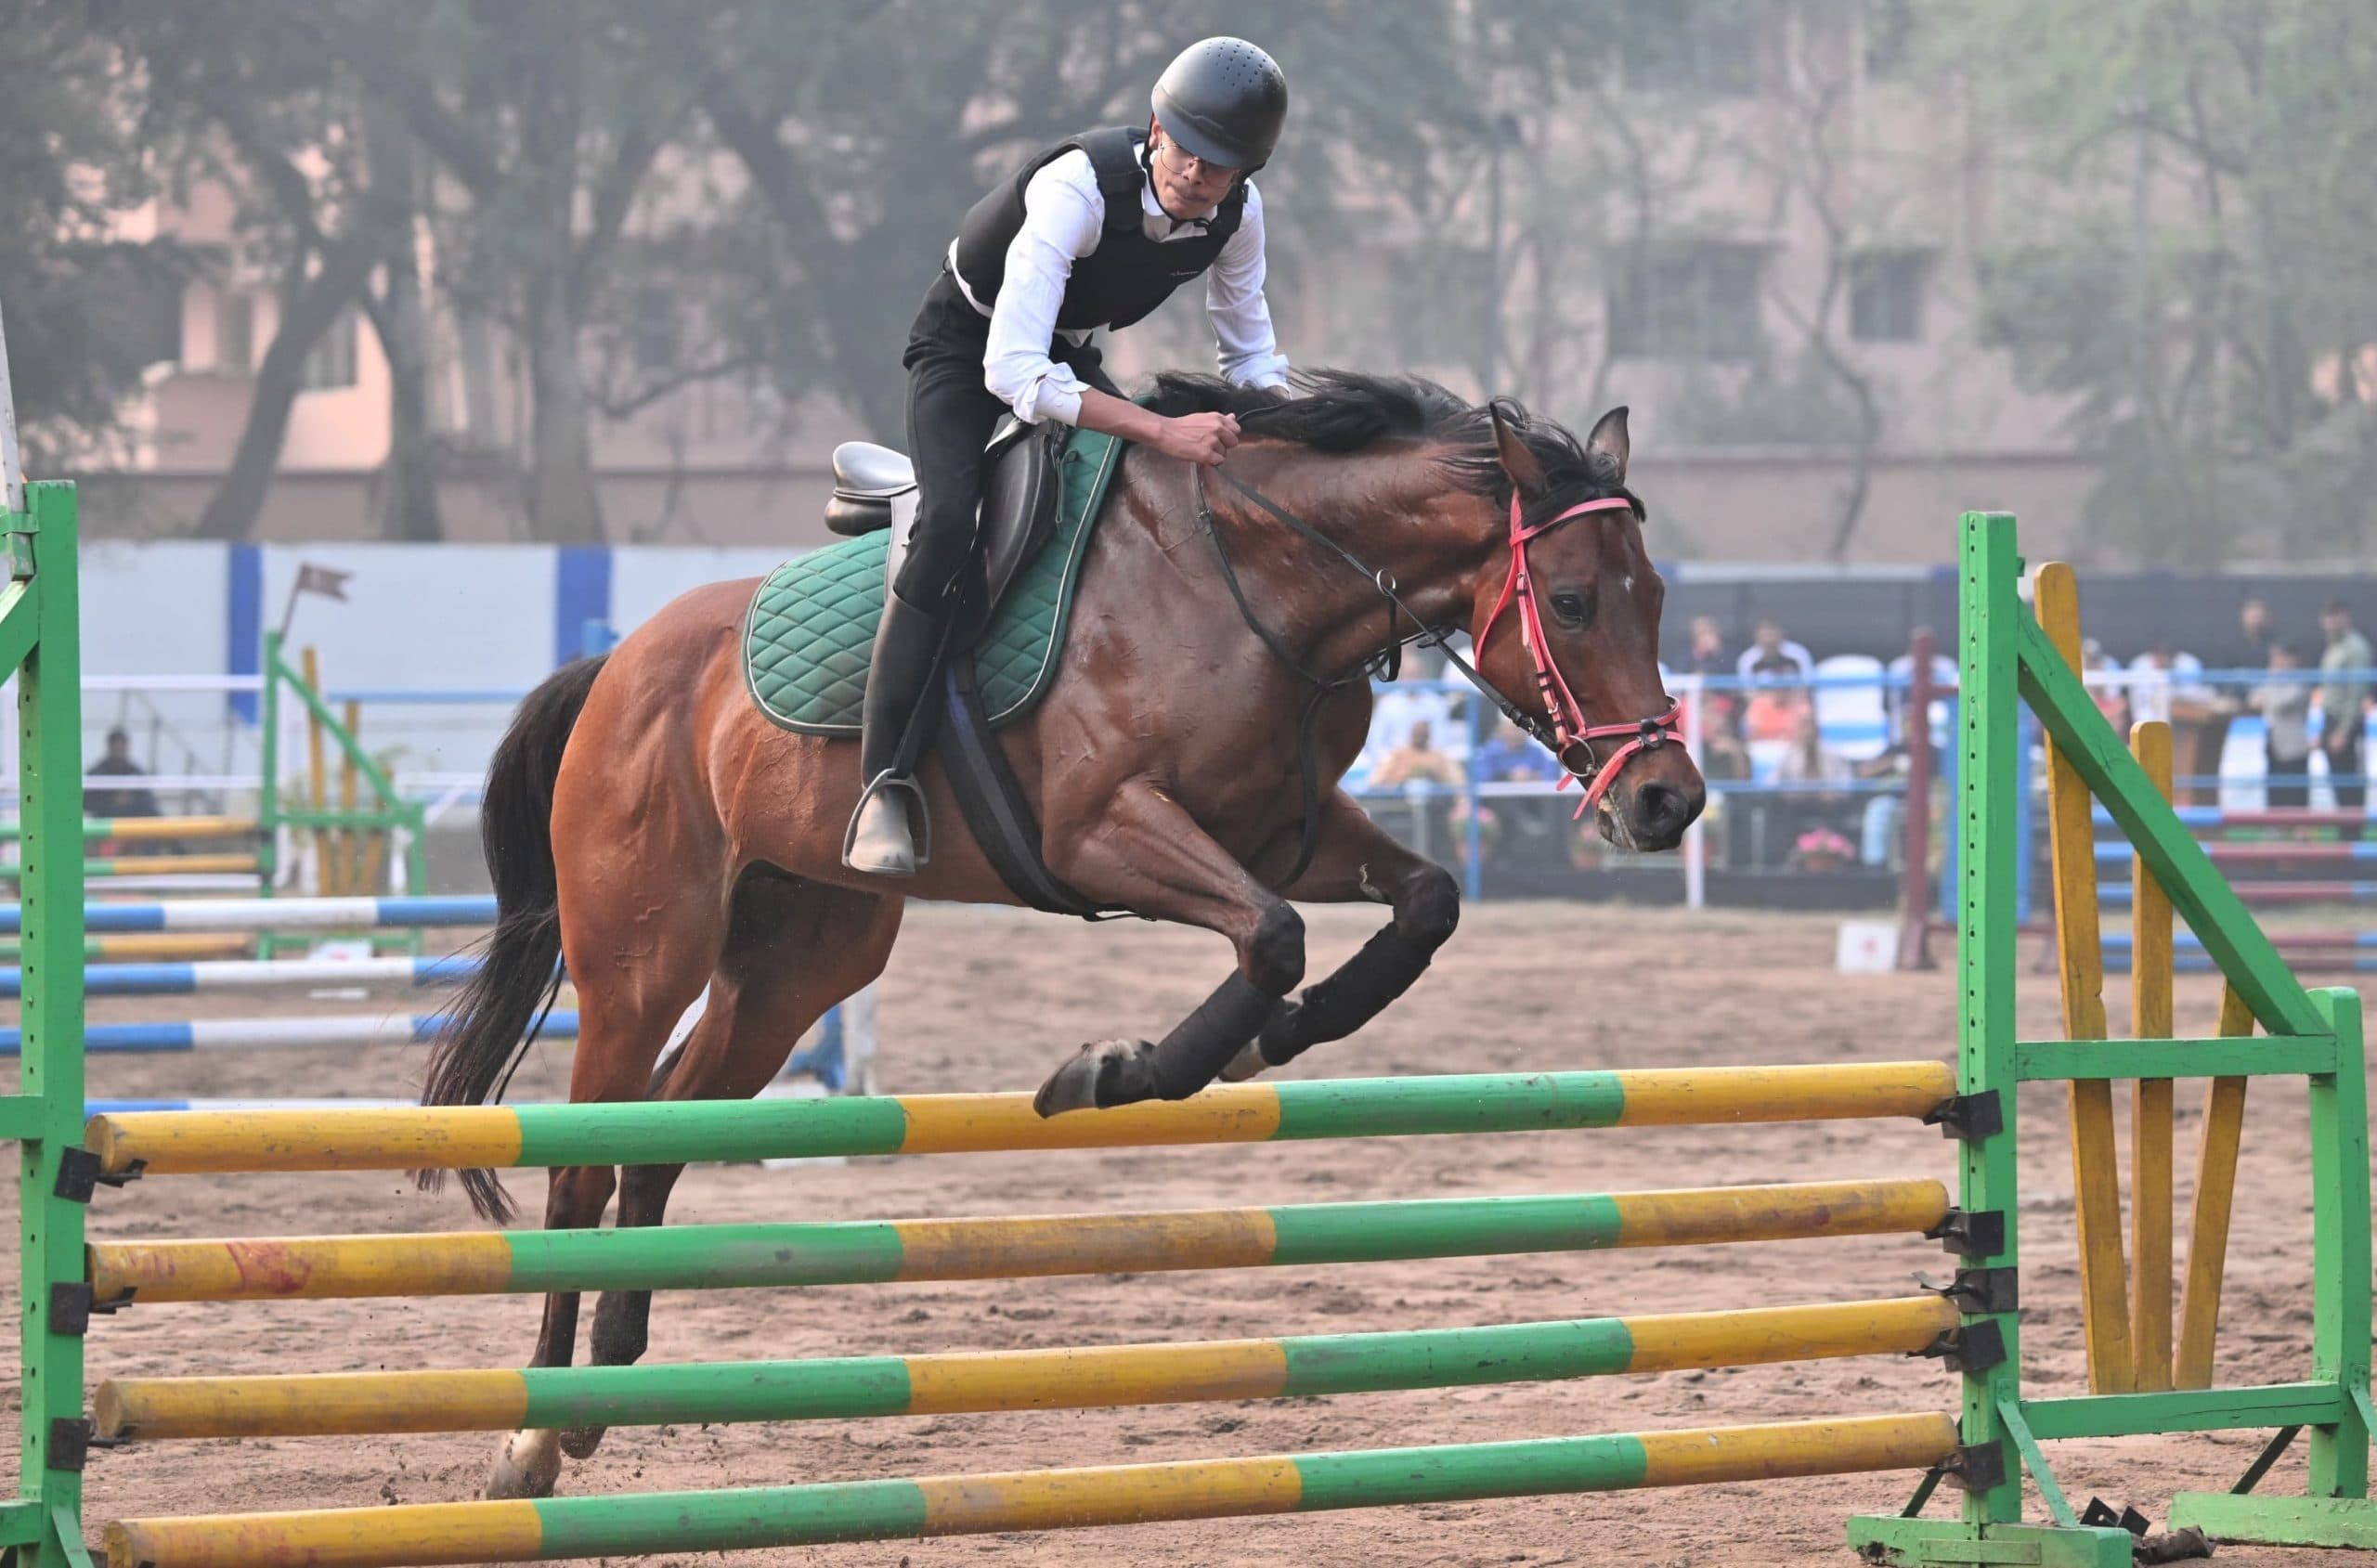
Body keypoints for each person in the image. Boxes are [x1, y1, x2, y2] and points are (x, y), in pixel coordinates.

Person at [846, 37, 1293, 875]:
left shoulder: (1239, 215)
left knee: (1149, 503)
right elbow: (1011, 370)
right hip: (964, 353)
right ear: (1156, 130)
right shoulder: (1075, 187)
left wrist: (1300, 439)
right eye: (1188, 153)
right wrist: (1162, 428)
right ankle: (883, 783)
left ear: (1246, 172)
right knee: (949, 524)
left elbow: (1250, 358)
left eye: (1222, 166)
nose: (1199, 177)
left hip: (1067, 355)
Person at [2319, 598, 2371, 833]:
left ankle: (2353, 836)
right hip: (2330, 718)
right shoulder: (2333, 646)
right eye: (2328, 617)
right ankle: (2346, 833)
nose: (2330, 622)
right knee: (2338, 781)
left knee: (2349, 781)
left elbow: (2355, 693)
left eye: (2335, 616)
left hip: (2345, 721)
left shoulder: (2355, 648)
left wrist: (2343, 730)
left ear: (2345, 618)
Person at [2253, 642, 2313, 810]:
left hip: (2294, 745)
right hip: (2273, 741)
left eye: (2279, 657)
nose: (2275, 662)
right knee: (2275, 789)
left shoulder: (2300, 679)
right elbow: (2254, 699)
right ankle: (2276, 828)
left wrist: (2270, 685)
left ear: (2291, 659)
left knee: (2296, 792)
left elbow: (2283, 703)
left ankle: (2301, 830)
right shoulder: (2272, 680)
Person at [86, 728, 160, 821]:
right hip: (106, 824)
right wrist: (113, 801)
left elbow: (148, 801)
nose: (119, 748)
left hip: (132, 825)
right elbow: (87, 802)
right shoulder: (97, 773)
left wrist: (131, 800)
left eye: (122, 744)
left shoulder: (136, 772)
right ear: (109, 746)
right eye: (116, 744)